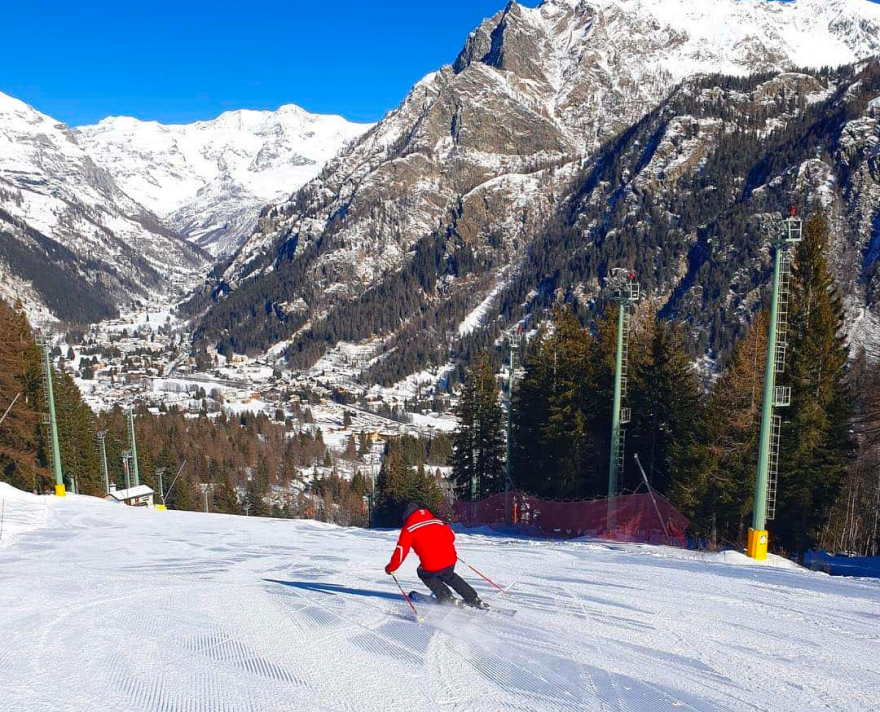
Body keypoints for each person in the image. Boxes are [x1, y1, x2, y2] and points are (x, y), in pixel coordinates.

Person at [385, 503, 488, 609]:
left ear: (407, 516)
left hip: (432, 563)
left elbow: (401, 551)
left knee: (424, 573)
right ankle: (473, 598)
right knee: (449, 576)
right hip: (450, 558)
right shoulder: (437, 521)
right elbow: (451, 537)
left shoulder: (409, 529)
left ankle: (446, 597)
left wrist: (391, 568)